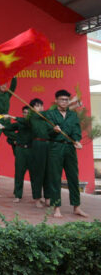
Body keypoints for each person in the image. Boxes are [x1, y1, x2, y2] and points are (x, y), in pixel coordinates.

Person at [46, 90, 88, 218]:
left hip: (70, 148)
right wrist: (53, 130)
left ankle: (77, 207)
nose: (64, 102)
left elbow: (76, 130)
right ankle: (56, 208)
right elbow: (47, 131)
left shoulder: (73, 115)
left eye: (66, 100)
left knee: (73, 177)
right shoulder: (50, 114)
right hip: (56, 147)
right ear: (56, 101)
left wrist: (77, 141)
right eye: (62, 99)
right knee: (55, 178)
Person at [0, 106, 32, 203]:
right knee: (19, 173)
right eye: (24, 112)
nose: (26, 114)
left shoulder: (33, 122)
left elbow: (26, 122)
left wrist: (11, 116)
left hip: (31, 150)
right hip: (20, 150)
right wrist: (2, 127)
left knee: (35, 174)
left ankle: (37, 196)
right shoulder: (19, 124)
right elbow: (10, 127)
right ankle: (17, 195)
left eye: (28, 113)